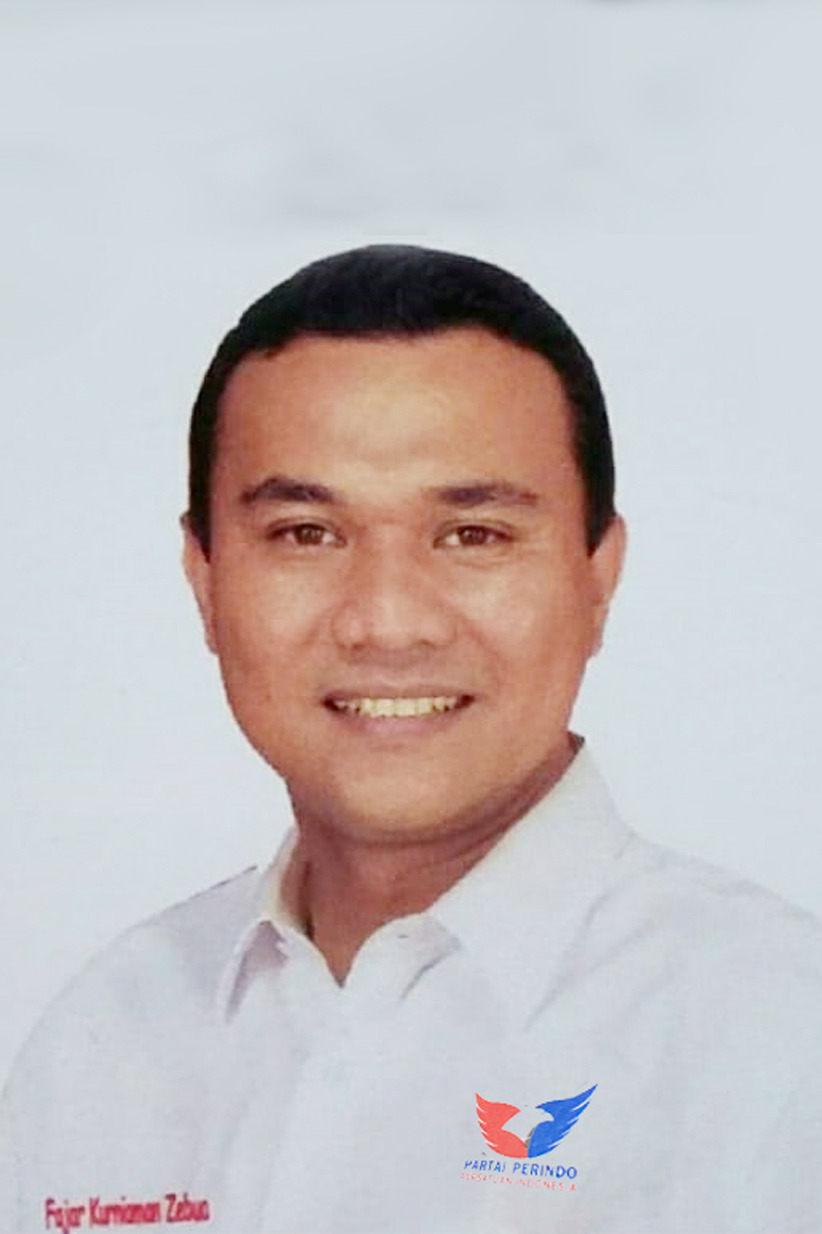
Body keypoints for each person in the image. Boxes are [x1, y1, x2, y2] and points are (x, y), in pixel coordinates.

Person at [2, 245, 821, 1234]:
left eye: (474, 535)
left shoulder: (780, 1046)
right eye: (306, 532)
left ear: (598, 578)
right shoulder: (103, 1040)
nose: (388, 623)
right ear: (204, 582)